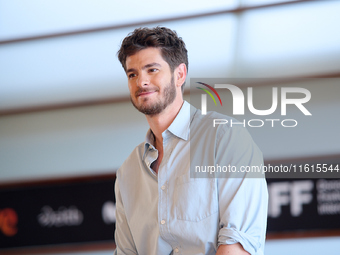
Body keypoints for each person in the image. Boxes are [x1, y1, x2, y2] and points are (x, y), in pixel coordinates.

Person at [114, 26, 268, 255]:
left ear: (180, 74)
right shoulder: (127, 172)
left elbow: (236, 246)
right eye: (132, 74)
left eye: (152, 70)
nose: (141, 82)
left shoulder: (225, 138)